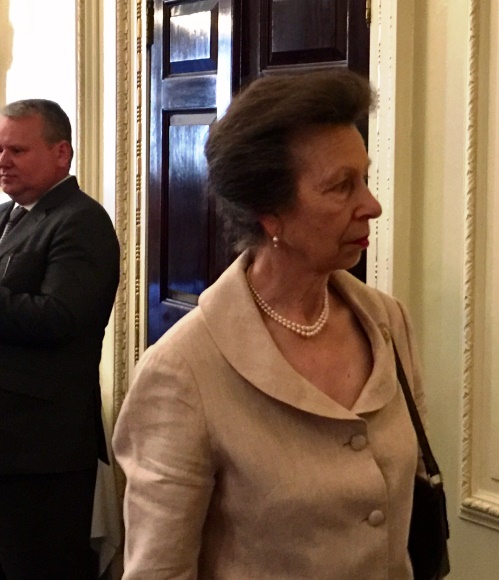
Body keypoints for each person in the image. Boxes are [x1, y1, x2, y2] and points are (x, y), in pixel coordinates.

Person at [113, 69, 432, 578]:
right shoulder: (181, 372)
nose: (370, 206)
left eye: (365, 179)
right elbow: (159, 570)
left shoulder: (386, 322)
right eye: (341, 187)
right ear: (271, 214)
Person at [0, 100, 120, 577]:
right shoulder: (11, 215)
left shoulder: (81, 220)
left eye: (17, 150)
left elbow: (61, 318)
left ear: (61, 154)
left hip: (42, 446)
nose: (3, 160)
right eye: (1, 148)